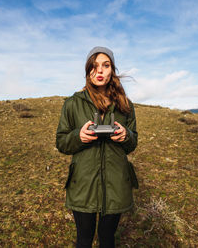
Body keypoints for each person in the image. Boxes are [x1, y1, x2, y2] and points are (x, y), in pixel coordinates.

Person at [56, 46, 139, 248]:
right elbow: (61, 142)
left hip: (116, 184)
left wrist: (125, 136)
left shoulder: (125, 104)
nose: (99, 71)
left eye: (106, 65)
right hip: (83, 184)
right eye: (94, 66)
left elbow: (133, 143)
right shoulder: (72, 103)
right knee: (84, 239)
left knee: (107, 239)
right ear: (87, 70)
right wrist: (79, 136)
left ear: (112, 70)